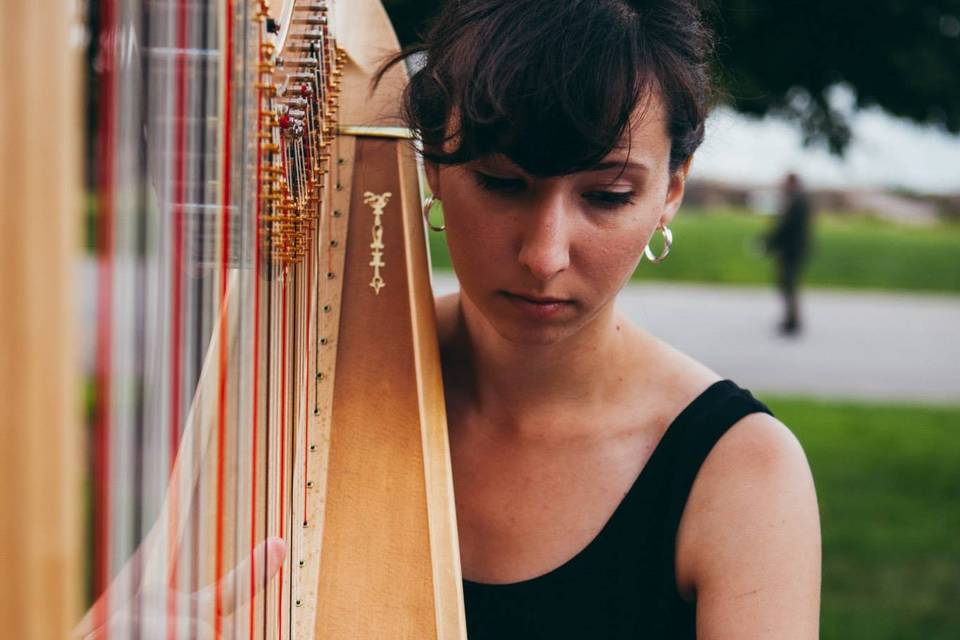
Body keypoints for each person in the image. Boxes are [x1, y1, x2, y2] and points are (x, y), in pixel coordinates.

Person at [382, 0, 822, 638]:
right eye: (503, 183)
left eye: (607, 196)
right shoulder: (315, 382)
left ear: (671, 190)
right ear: (433, 168)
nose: (544, 255)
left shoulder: (742, 474)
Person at [766, 173, 813, 335]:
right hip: (795, 249)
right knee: (789, 285)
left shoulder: (796, 201)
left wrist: (769, 243)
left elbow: (785, 228)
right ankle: (791, 319)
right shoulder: (799, 199)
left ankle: (792, 321)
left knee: (788, 284)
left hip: (792, 250)